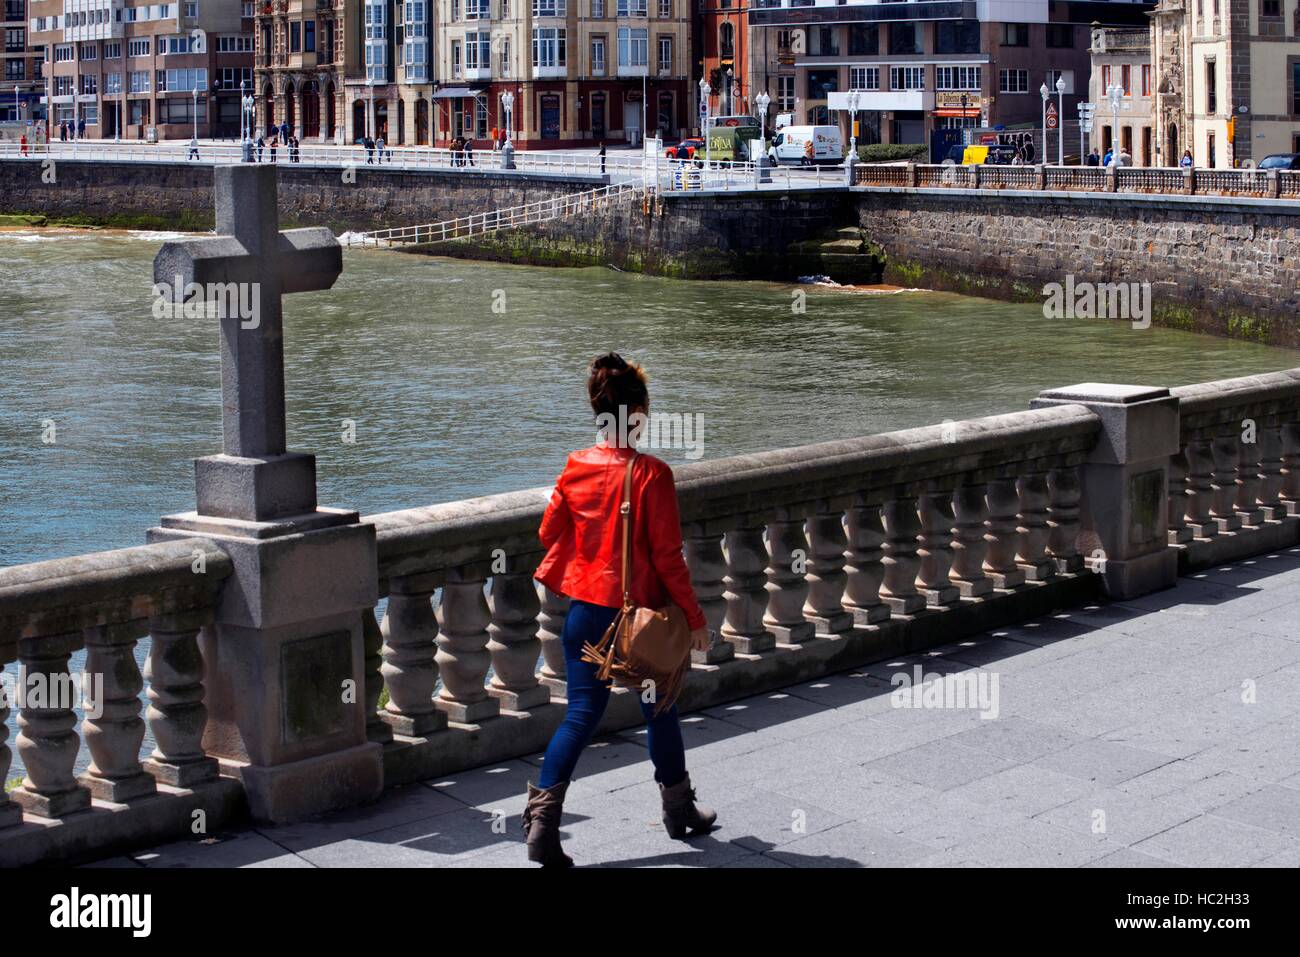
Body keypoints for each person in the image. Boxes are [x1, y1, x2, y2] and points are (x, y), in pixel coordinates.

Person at [523, 353, 716, 868]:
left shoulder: (576, 465)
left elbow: (547, 535)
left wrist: (562, 499)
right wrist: (695, 620)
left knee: (580, 716)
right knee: (660, 708)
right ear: (639, 413)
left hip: (586, 615)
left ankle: (543, 823)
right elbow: (669, 560)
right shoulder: (653, 475)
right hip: (639, 623)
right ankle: (679, 811)